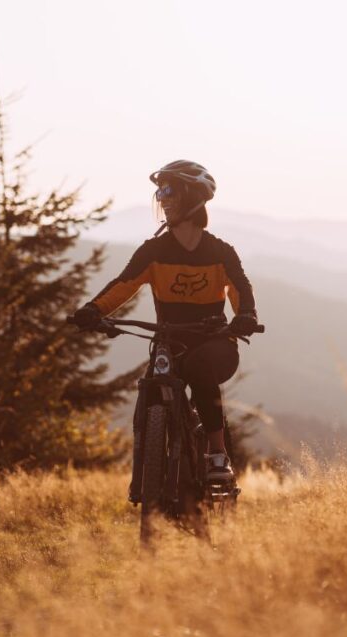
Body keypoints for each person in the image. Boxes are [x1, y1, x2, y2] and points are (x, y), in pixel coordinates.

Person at [72, 160, 260, 492]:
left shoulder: (220, 252)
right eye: (160, 191)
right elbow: (123, 284)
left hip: (215, 345)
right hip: (170, 344)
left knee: (202, 370)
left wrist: (245, 317)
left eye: (169, 189)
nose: (162, 198)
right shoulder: (154, 251)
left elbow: (240, 289)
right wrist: (92, 310)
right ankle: (149, 471)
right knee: (151, 387)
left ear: (193, 197)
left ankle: (217, 455)